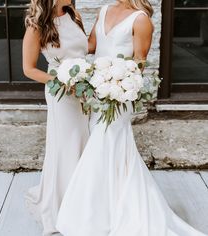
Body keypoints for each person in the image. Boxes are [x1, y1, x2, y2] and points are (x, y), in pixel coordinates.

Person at [55, 1, 208, 235]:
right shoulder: (104, 10)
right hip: (98, 91)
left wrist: (115, 85)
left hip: (119, 95)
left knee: (106, 144)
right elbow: (91, 46)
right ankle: (105, 209)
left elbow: (139, 63)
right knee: (105, 146)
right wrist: (61, 45)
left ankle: (96, 216)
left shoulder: (140, 19)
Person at [22, 0, 89, 235]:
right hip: (60, 93)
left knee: (83, 141)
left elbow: (84, 48)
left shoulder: (73, 15)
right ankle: (64, 206)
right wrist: (62, 81)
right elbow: (28, 69)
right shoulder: (36, 25)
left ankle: (83, 199)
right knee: (66, 145)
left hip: (84, 90)